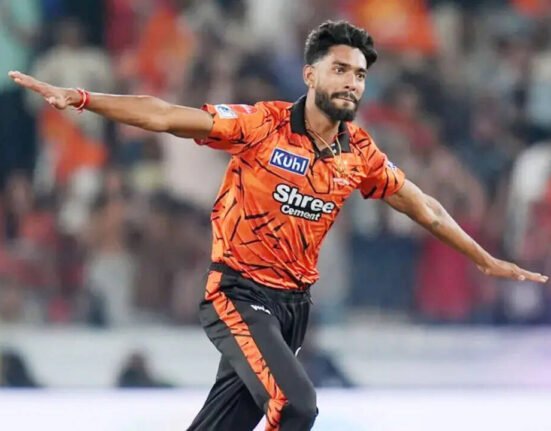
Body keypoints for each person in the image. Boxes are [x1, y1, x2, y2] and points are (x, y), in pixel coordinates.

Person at [9, 19, 548, 431]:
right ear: (310, 74)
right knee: (295, 406)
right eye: (340, 70)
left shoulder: (358, 152)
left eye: (360, 75)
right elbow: (165, 115)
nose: (352, 83)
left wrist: (484, 259)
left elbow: (424, 207)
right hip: (239, 294)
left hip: (294, 309)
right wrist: (82, 99)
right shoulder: (262, 124)